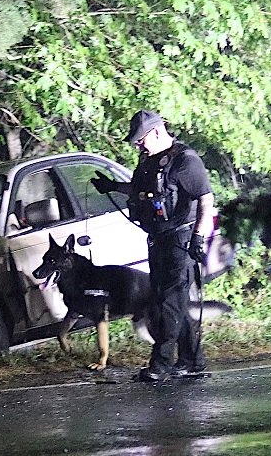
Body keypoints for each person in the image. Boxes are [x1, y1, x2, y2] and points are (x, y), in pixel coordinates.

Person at [92, 109, 215, 382]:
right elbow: (140, 190)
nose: (138, 146)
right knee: (170, 301)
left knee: (168, 303)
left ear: (157, 132)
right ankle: (192, 361)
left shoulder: (186, 161)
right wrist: (112, 186)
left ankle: (160, 365)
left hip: (181, 240)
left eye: (141, 140)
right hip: (158, 239)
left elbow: (206, 200)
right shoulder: (149, 161)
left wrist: (198, 236)